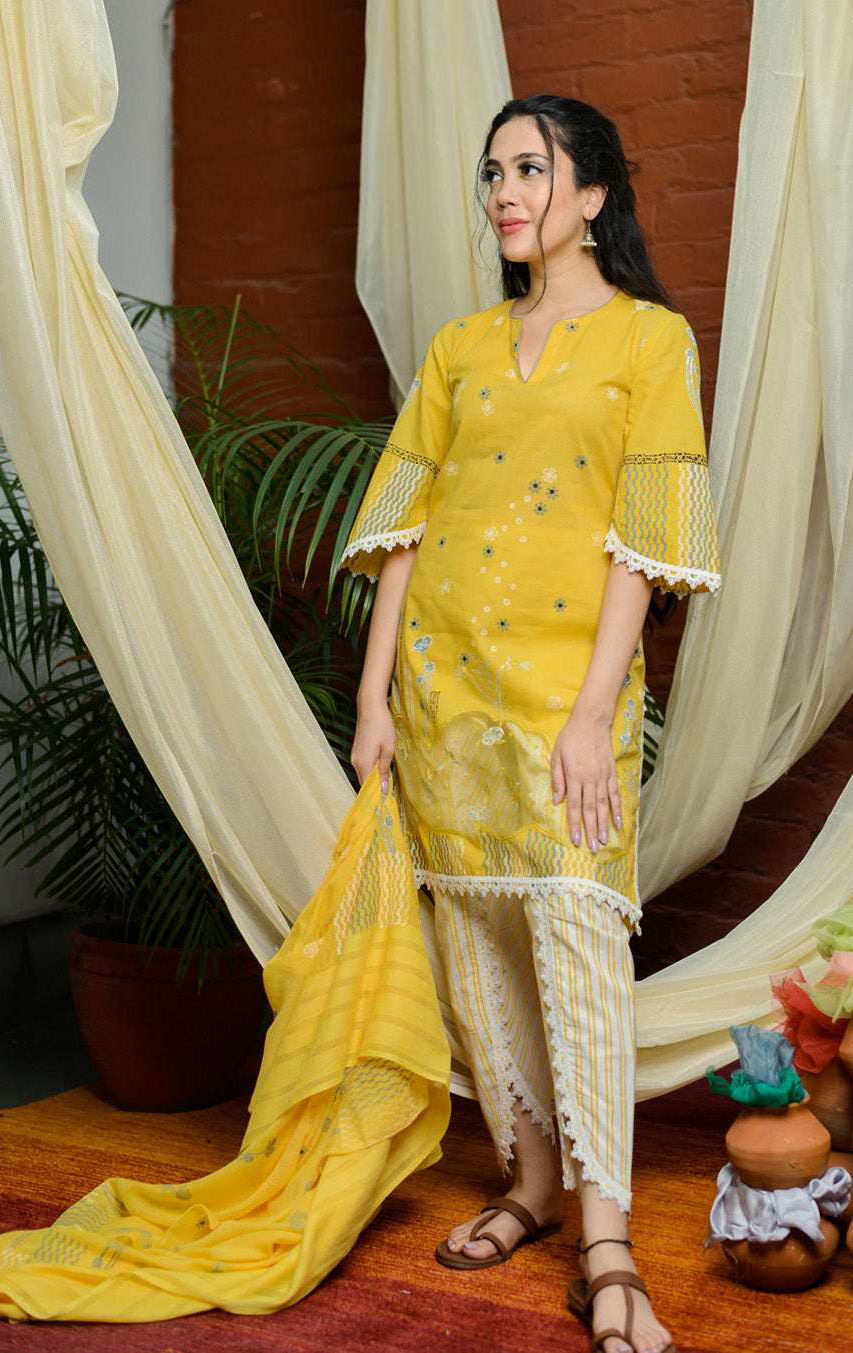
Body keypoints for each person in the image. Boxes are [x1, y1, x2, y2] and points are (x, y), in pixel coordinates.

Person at [340, 94, 720, 1353]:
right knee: (480, 943)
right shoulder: (458, 348)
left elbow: (643, 544)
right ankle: (533, 1182)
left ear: (592, 196)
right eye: (492, 173)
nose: (504, 191)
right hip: (442, 690)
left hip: (568, 696)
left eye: (530, 170)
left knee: (577, 943)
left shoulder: (650, 342)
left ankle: (606, 1243)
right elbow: (406, 530)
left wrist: (595, 710)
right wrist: (374, 697)